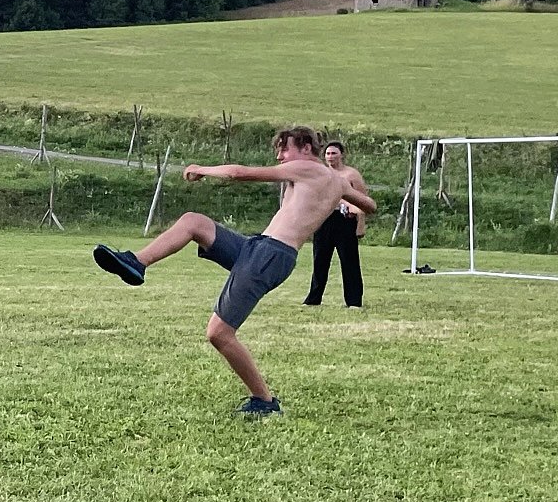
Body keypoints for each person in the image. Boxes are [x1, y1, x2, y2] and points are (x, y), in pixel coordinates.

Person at [91, 127, 376, 417]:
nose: (279, 156)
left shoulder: (306, 167)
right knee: (193, 222)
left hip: (271, 254)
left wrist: (201, 169)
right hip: (260, 247)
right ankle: (136, 263)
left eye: (284, 149)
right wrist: (340, 198)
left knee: (219, 333)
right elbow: (370, 205)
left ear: (305, 148)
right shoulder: (337, 181)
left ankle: (265, 401)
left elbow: (240, 173)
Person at [302, 138, 369, 308]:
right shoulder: (322, 174)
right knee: (320, 260)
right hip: (324, 219)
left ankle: (354, 300)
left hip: (345, 221)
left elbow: (363, 201)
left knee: (349, 261)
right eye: (328, 154)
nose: (330, 157)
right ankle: (314, 298)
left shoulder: (351, 174)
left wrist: (360, 224)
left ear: (341, 155)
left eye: (334, 153)